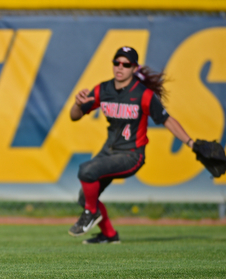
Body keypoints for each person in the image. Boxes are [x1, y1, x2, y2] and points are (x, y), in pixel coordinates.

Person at [68, 46, 194, 244]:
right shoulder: (103, 89)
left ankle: (91, 214)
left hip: (131, 155)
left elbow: (167, 120)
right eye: (116, 63)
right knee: (85, 197)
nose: (120, 67)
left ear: (134, 68)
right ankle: (109, 235)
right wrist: (77, 104)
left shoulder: (143, 95)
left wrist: (191, 143)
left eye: (126, 64)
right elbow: (74, 116)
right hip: (108, 151)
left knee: (86, 171)